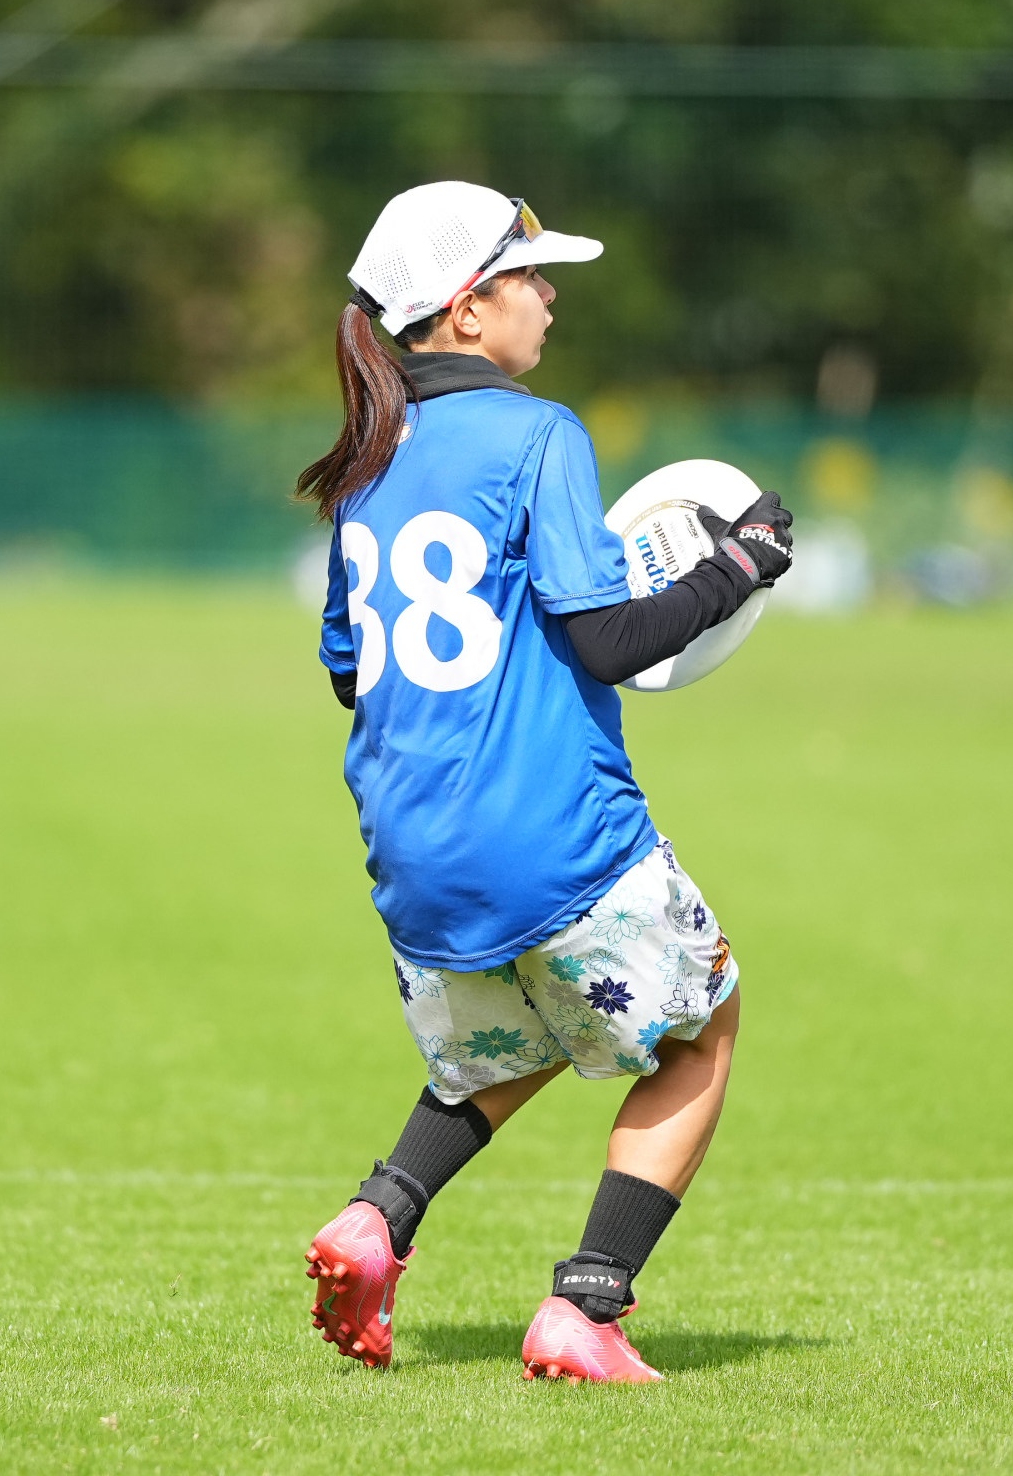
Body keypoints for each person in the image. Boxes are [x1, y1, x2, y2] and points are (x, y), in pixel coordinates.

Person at [298, 182, 793, 1381]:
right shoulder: (538, 434)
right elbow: (609, 642)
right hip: (552, 836)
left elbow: (351, 673)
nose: (550, 295)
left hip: (412, 850)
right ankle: (589, 1305)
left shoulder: (367, 463)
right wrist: (739, 565)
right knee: (701, 1029)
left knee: (514, 1035)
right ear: (468, 309)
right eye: (528, 276)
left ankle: (377, 1216)